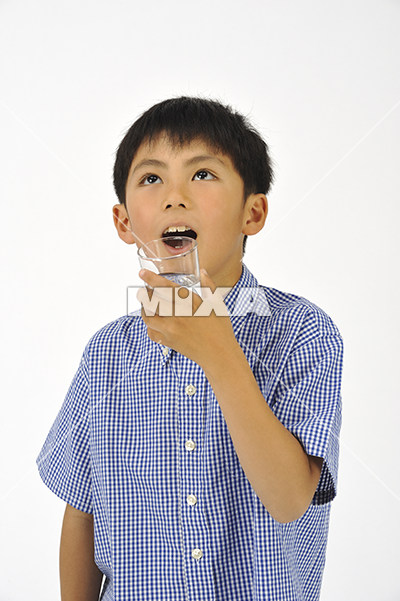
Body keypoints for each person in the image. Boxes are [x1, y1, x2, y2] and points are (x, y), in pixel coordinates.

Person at [37, 96, 343, 601]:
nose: (174, 198)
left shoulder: (302, 332)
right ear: (124, 223)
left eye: (202, 174)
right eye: (151, 178)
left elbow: (291, 500)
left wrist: (219, 351)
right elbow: (81, 511)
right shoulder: (107, 353)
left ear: (252, 213)